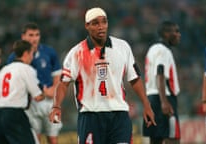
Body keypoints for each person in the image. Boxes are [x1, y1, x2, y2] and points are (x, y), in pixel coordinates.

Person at [49, 7, 156, 144]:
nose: (101, 27)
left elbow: (134, 78)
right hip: (90, 116)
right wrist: (56, 106)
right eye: (95, 23)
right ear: (87, 26)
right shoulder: (76, 53)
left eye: (104, 22)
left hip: (119, 115)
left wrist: (147, 105)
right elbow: (63, 83)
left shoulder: (122, 47)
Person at [7, 22, 62, 144]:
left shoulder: (49, 52)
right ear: (23, 37)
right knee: (34, 138)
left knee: (53, 138)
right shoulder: (14, 57)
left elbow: (57, 75)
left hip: (49, 102)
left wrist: (54, 90)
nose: (34, 38)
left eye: (37, 35)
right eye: (30, 35)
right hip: (30, 103)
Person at [0, 40, 46, 144]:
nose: (32, 57)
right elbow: (38, 96)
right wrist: (45, 93)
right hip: (14, 115)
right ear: (26, 53)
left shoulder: (4, 69)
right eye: (31, 53)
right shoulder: (26, 69)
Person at [143, 20, 181, 144]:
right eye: (176, 31)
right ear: (166, 33)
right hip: (164, 98)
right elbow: (160, 73)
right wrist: (164, 101)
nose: (179, 35)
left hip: (151, 99)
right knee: (173, 138)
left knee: (155, 139)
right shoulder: (163, 50)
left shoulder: (152, 49)